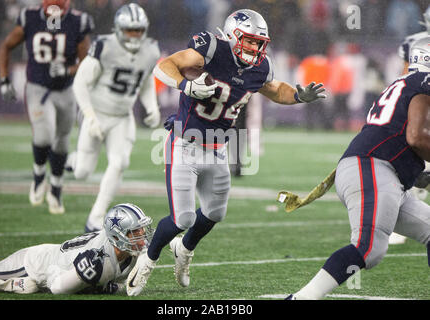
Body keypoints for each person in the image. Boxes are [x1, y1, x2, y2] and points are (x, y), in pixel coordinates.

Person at [126, 9, 326, 296]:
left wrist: (297, 96)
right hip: (184, 144)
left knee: (214, 213)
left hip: (218, 148)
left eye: (259, 43)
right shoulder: (210, 48)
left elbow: (272, 88)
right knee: (183, 219)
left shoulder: (259, 67)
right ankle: (148, 259)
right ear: (233, 36)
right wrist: (185, 84)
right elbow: (165, 65)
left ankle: (184, 249)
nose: (256, 48)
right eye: (250, 41)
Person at [286, 37, 430, 300]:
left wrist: (417, 172)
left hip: (378, 171)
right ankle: (300, 298)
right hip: (373, 169)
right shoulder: (423, 83)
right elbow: (417, 138)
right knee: (369, 249)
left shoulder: (406, 83)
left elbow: (396, 136)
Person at [67, 3, 161, 233]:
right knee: (82, 172)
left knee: (120, 162)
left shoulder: (150, 50)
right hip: (97, 112)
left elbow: (146, 80)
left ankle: (95, 218)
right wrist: (89, 117)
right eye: (130, 30)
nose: (135, 35)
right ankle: (71, 161)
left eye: (138, 30)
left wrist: (152, 106)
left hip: (122, 116)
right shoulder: (104, 47)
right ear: (119, 28)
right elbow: (80, 83)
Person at [0, 0, 94, 214]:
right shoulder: (30, 18)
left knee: (61, 143)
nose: (55, 5)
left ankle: (56, 190)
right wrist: (4, 79)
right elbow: (6, 46)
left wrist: (69, 70)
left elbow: (86, 62)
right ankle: (39, 173)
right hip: (38, 88)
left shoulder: (77, 21)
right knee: (43, 136)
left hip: (66, 90)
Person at [0, 203, 154, 294]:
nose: (142, 236)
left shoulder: (129, 252)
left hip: (52, 262)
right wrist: (89, 279)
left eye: (142, 230)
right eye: (135, 232)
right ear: (117, 236)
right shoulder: (99, 259)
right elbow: (57, 287)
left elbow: (119, 282)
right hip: (34, 264)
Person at [390, 5, 430, 244]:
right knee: (414, 163)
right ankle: (399, 221)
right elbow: (407, 78)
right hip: (423, 102)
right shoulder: (416, 43)